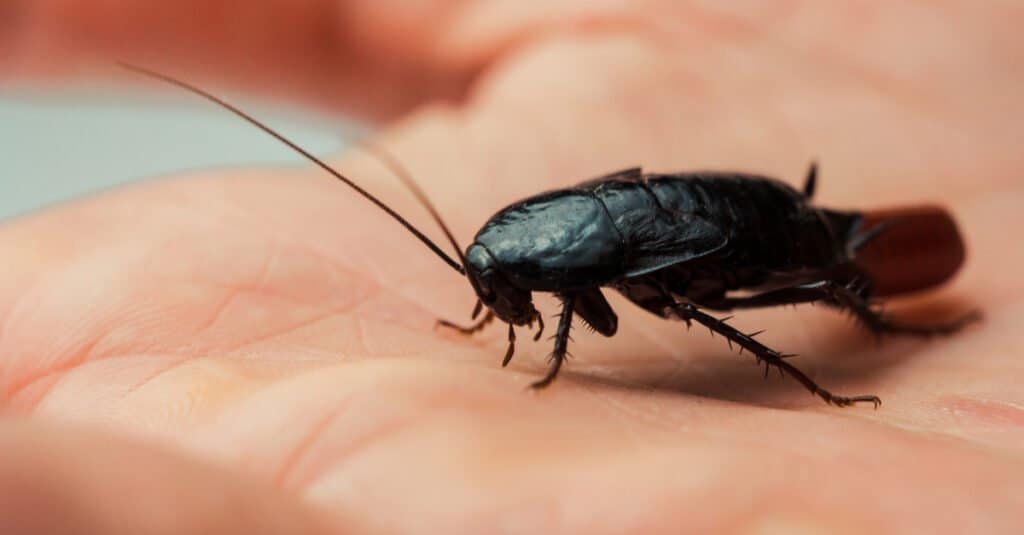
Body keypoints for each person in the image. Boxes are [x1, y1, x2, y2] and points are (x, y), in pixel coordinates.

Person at [1, 2, 1022, 533]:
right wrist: (513, 321)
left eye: (498, 292)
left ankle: (885, 320)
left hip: (734, 224)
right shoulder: (555, 258)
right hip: (695, 209)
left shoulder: (575, 266)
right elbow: (571, 288)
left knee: (776, 276)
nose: (502, 298)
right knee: (713, 286)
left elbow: (593, 297)